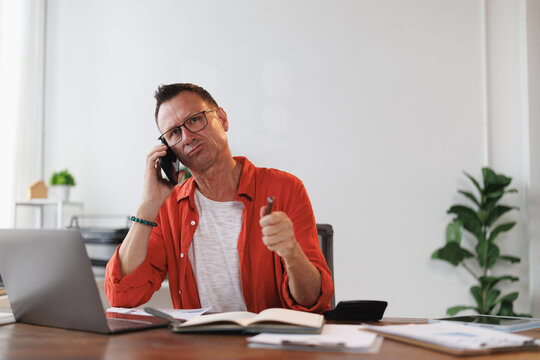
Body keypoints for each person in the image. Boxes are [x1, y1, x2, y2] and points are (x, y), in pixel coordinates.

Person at [105, 83, 334, 313]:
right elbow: (121, 296)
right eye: (174, 133)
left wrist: (292, 252)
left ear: (222, 119)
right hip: (197, 345)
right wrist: (147, 206)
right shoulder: (168, 208)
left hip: (267, 345)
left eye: (194, 119)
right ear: (168, 151)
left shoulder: (285, 189)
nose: (187, 137)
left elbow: (313, 301)